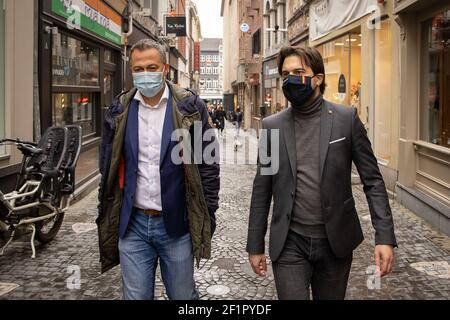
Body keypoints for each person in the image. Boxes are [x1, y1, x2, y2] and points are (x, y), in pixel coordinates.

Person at [246, 46, 397, 300]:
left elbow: (372, 181)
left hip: (335, 242)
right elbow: (262, 190)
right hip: (289, 243)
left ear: (318, 78)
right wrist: (254, 245)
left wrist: (384, 237)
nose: (290, 79)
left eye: (298, 72)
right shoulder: (272, 127)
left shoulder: (346, 119)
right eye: (285, 74)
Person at [97, 39, 220, 300]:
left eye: (151, 67)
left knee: (183, 296)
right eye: (138, 69)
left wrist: (206, 213)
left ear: (165, 69)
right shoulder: (119, 110)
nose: (145, 74)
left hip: (177, 225)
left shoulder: (190, 107)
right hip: (133, 225)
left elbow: (208, 165)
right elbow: (106, 165)